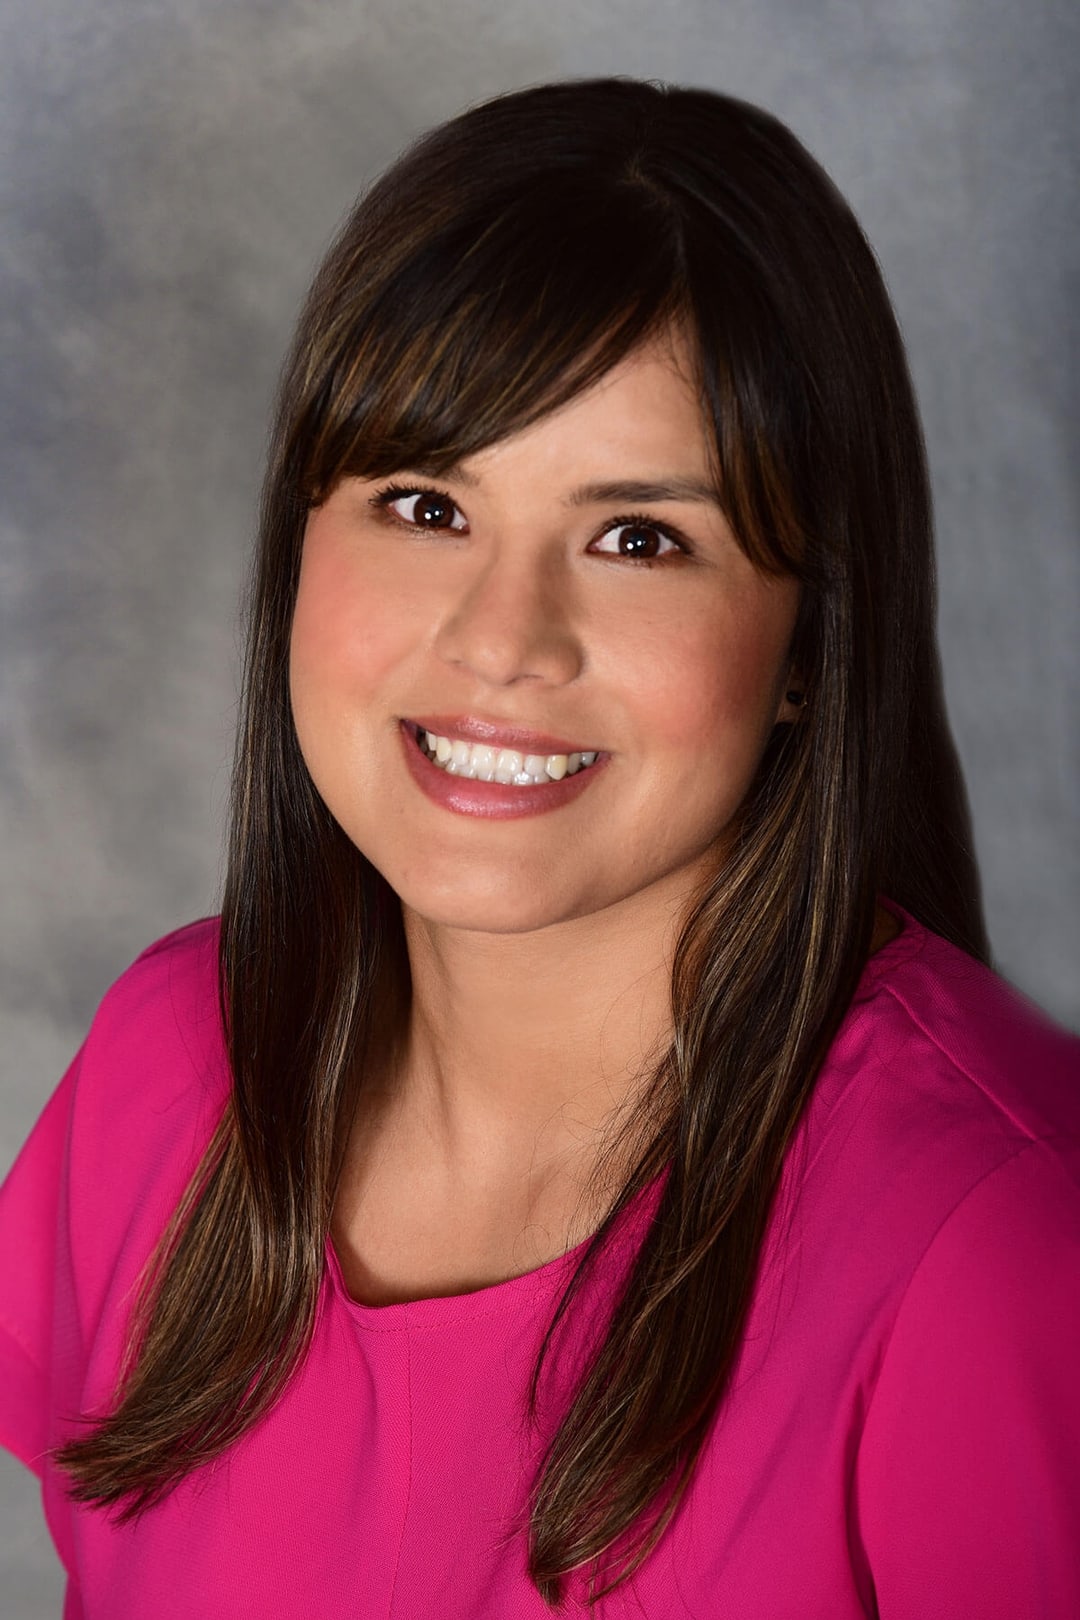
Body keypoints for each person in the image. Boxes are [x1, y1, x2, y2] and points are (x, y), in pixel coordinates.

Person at [1, 77, 1078, 1619]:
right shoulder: (169, 1071)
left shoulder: (1003, 1253)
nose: (504, 642)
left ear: (808, 643)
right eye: (426, 504)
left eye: (639, 538)